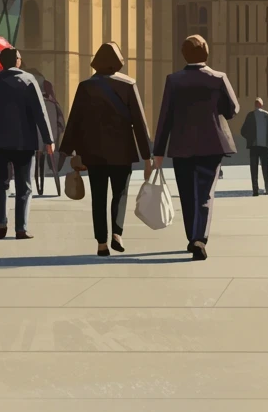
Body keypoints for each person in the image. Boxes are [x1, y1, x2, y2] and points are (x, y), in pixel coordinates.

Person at [59, 42, 151, 256]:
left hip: (94, 152)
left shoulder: (85, 87)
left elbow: (75, 122)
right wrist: (147, 157)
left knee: (98, 196)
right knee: (120, 193)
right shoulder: (128, 85)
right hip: (122, 151)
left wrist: (67, 152)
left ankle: (101, 243)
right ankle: (117, 233)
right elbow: (139, 122)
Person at [152, 35, 239, 260]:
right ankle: (200, 237)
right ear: (206, 54)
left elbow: (165, 117)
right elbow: (232, 109)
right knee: (205, 193)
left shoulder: (173, 80)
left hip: (181, 146)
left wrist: (158, 151)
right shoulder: (218, 78)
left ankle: (192, 236)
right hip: (212, 145)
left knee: (187, 194)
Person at [0, 48, 53, 240]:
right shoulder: (30, 81)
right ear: (18, 61)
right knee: (24, 186)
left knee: (1, 184)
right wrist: (48, 140)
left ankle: (1, 224)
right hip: (25, 143)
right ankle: (21, 228)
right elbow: (41, 113)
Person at [35, 80, 66, 196]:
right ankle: (57, 188)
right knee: (53, 164)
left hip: (38, 139)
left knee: (39, 163)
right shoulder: (54, 103)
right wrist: (56, 135)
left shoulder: (35, 103)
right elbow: (61, 123)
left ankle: (40, 187)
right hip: (52, 139)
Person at [240, 98, 268, 196]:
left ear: (255, 105)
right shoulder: (267, 115)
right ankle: (267, 188)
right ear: (262, 105)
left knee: (253, 168)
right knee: (265, 168)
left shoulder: (250, 115)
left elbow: (243, 131)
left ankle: (255, 190)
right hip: (264, 147)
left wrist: (250, 138)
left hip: (253, 146)